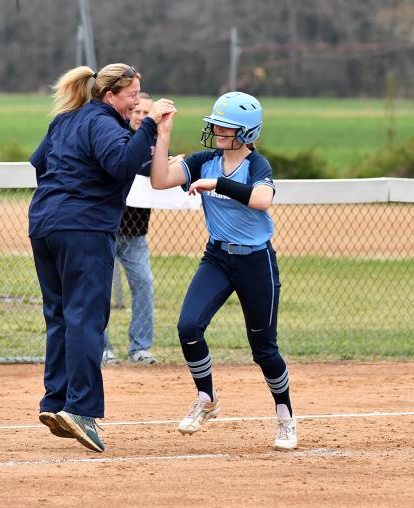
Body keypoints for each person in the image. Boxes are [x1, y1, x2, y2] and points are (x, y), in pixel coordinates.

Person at [29, 63, 175, 453]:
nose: (136, 103)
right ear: (109, 96)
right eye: (132, 97)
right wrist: (149, 127)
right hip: (83, 228)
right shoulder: (103, 122)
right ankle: (80, 409)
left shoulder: (66, 120)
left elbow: (38, 163)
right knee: (86, 317)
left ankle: (55, 401)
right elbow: (121, 164)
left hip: (45, 225)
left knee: (60, 314)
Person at [149, 91, 297, 450]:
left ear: (246, 133)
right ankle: (207, 397)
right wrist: (163, 133)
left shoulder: (257, 165)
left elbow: (262, 199)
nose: (216, 130)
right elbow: (159, 180)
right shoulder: (204, 160)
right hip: (218, 258)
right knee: (188, 326)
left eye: (225, 126)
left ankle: (285, 417)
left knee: (263, 348)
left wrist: (218, 184)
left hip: (255, 261)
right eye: (215, 123)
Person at [101, 92, 158, 367]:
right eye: (137, 111)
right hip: (106, 229)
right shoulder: (116, 137)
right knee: (98, 290)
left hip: (135, 233)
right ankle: (102, 348)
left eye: (147, 114)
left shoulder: (155, 144)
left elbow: (158, 176)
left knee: (144, 285)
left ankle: (140, 348)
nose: (141, 117)